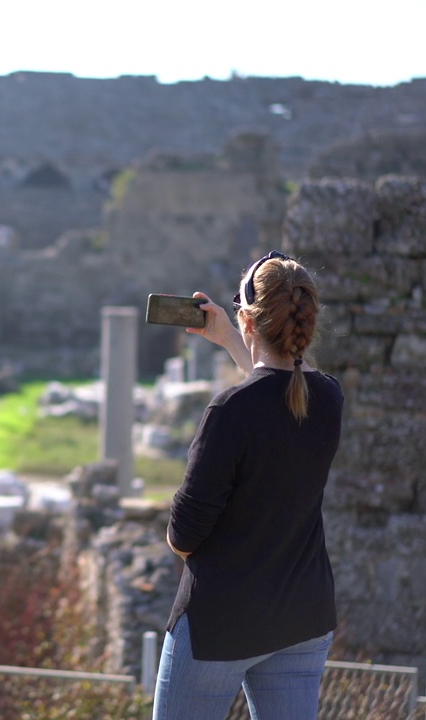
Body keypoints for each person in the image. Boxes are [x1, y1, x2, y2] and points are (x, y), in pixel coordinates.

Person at [152, 250, 342, 720]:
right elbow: (277, 391)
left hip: (223, 625)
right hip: (303, 617)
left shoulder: (227, 412)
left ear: (248, 319)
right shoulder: (329, 398)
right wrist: (233, 340)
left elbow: (183, 538)